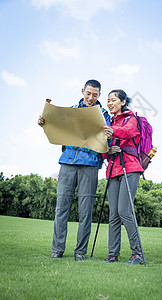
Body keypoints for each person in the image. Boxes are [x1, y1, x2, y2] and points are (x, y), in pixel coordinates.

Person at [38, 79, 112, 261]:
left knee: (85, 211)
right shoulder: (70, 110)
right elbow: (56, 127)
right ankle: (57, 250)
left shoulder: (104, 114)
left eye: (95, 94)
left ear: (99, 95)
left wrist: (109, 136)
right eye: (88, 93)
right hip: (67, 162)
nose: (91, 97)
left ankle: (80, 252)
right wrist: (43, 123)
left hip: (90, 165)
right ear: (82, 91)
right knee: (61, 208)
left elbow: (106, 143)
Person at [102, 89, 144, 265]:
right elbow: (102, 149)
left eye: (113, 100)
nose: (110, 103)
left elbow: (127, 132)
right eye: (108, 100)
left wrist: (109, 129)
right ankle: (113, 255)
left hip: (130, 167)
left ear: (123, 102)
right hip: (113, 170)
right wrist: (107, 151)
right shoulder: (108, 122)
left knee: (124, 210)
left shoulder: (131, 118)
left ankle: (138, 255)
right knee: (113, 214)